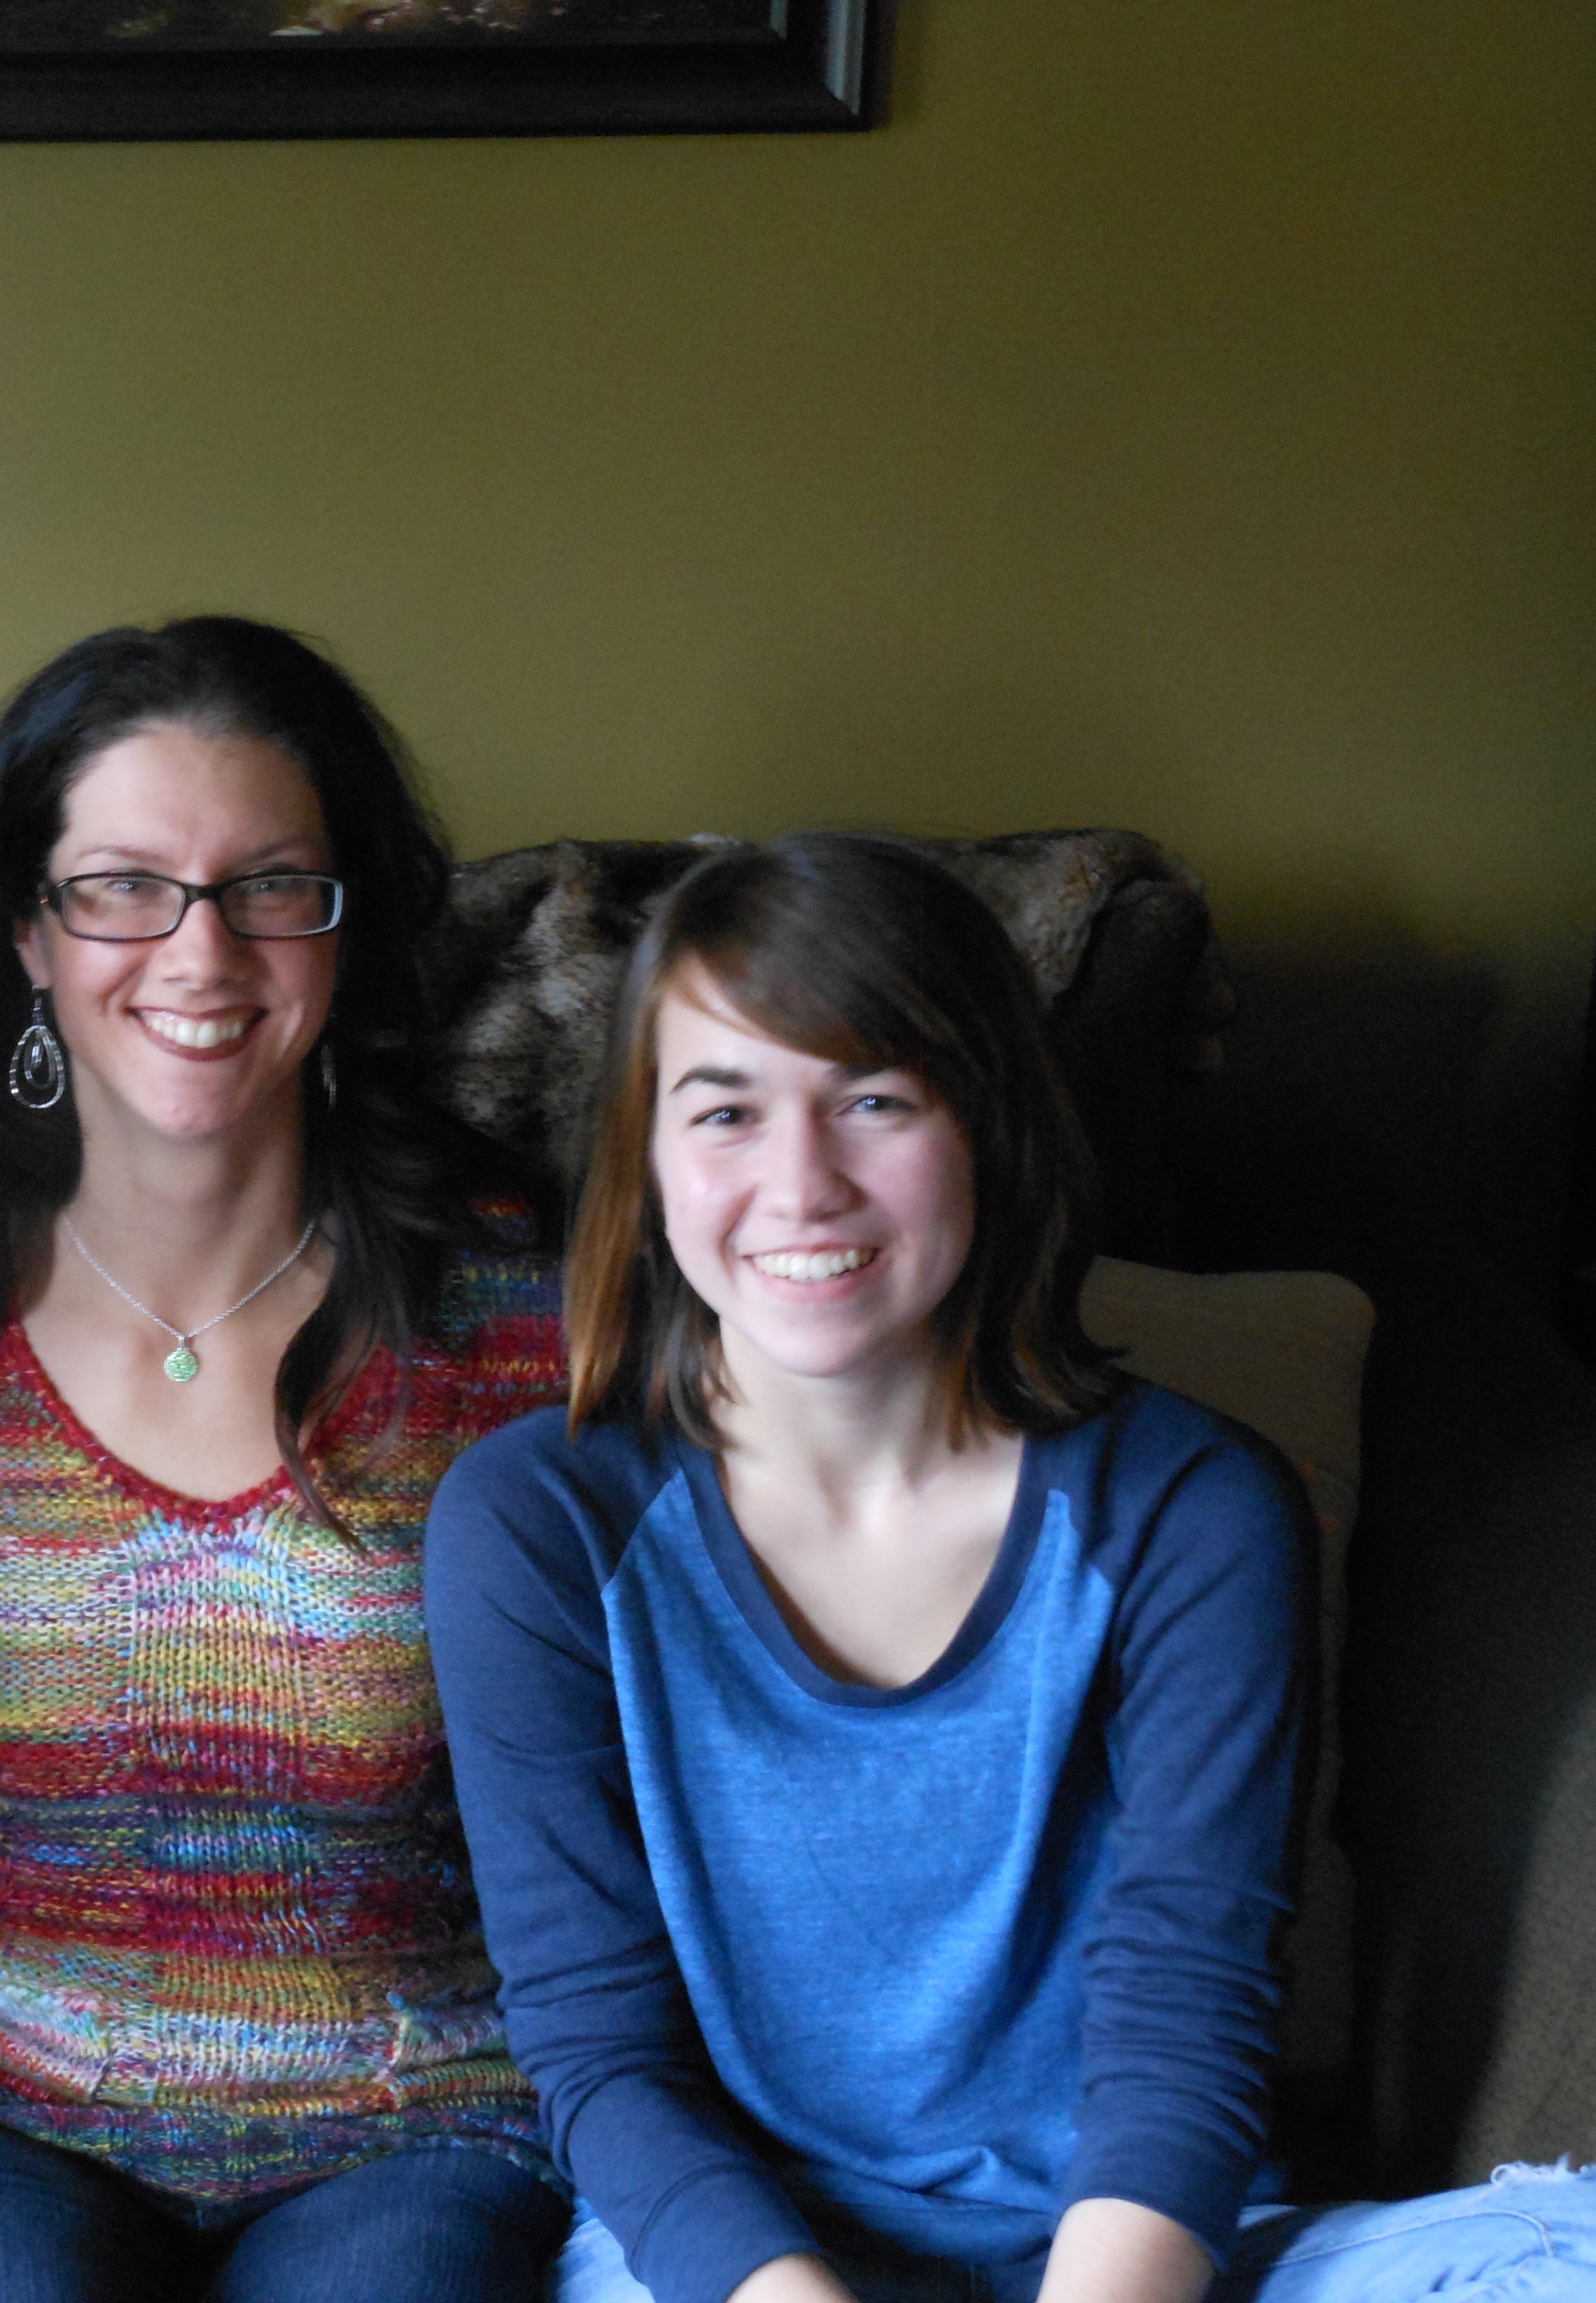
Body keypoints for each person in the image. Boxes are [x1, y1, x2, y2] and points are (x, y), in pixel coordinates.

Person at [422, 832, 1596, 2303]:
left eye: (874, 1100)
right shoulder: (535, 1523)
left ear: (992, 1127)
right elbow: (599, 2051)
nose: (801, 1185)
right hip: (735, 2265)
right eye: (724, 1112)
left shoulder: (1195, 1510)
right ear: (647, 1165)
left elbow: (1189, 2019)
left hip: (1141, 2244)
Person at [0, 616, 573, 2302]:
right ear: (30, 932)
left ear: (346, 929)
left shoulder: (519, 1309)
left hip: (415, 2118)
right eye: (123, 886)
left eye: (271, 887)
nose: (202, 953)